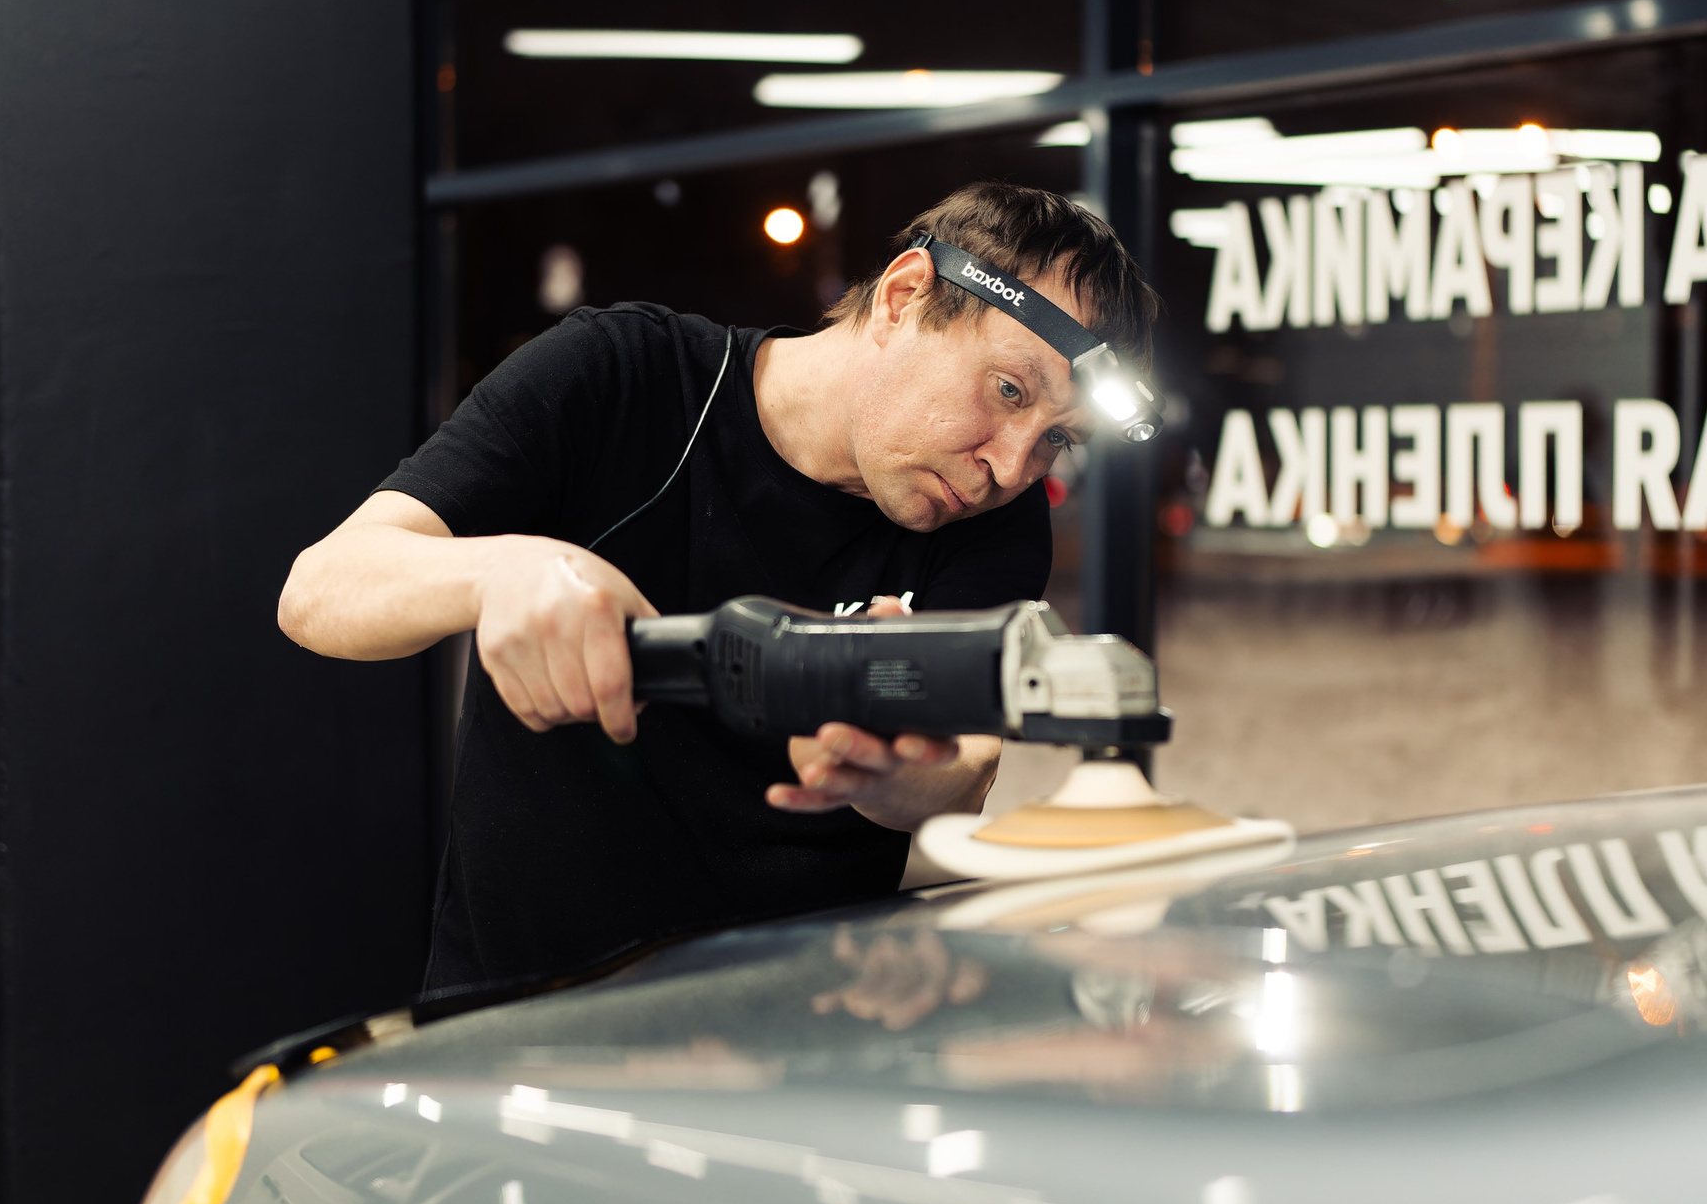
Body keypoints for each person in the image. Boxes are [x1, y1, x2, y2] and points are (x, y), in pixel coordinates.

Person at [279, 180, 1156, 996]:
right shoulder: (623, 375)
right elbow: (321, 588)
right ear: (903, 297)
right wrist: (507, 570)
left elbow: (965, 771)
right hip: (526, 1023)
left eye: (1058, 439)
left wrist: (889, 769)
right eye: (1008, 390)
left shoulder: (995, 522)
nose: (1013, 465)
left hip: (797, 1038)